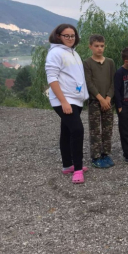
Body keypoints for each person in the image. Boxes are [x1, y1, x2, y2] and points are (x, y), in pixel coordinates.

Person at [45, 24, 89, 184]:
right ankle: (77, 170)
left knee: (67, 131)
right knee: (77, 130)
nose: (70, 38)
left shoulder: (73, 53)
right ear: (58, 36)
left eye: (73, 35)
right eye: (66, 36)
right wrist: (63, 101)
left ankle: (67, 165)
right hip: (65, 100)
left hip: (75, 99)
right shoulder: (55, 53)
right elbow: (52, 79)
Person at [83, 34, 115, 168]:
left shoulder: (110, 62)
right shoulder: (87, 63)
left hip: (108, 101)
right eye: (96, 46)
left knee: (108, 128)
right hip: (95, 101)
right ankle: (95, 156)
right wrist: (100, 99)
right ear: (90, 47)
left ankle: (106, 153)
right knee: (95, 129)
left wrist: (108, 98)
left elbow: (113, 81)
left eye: (102, 46)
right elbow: (89, 83)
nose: (99, 49)